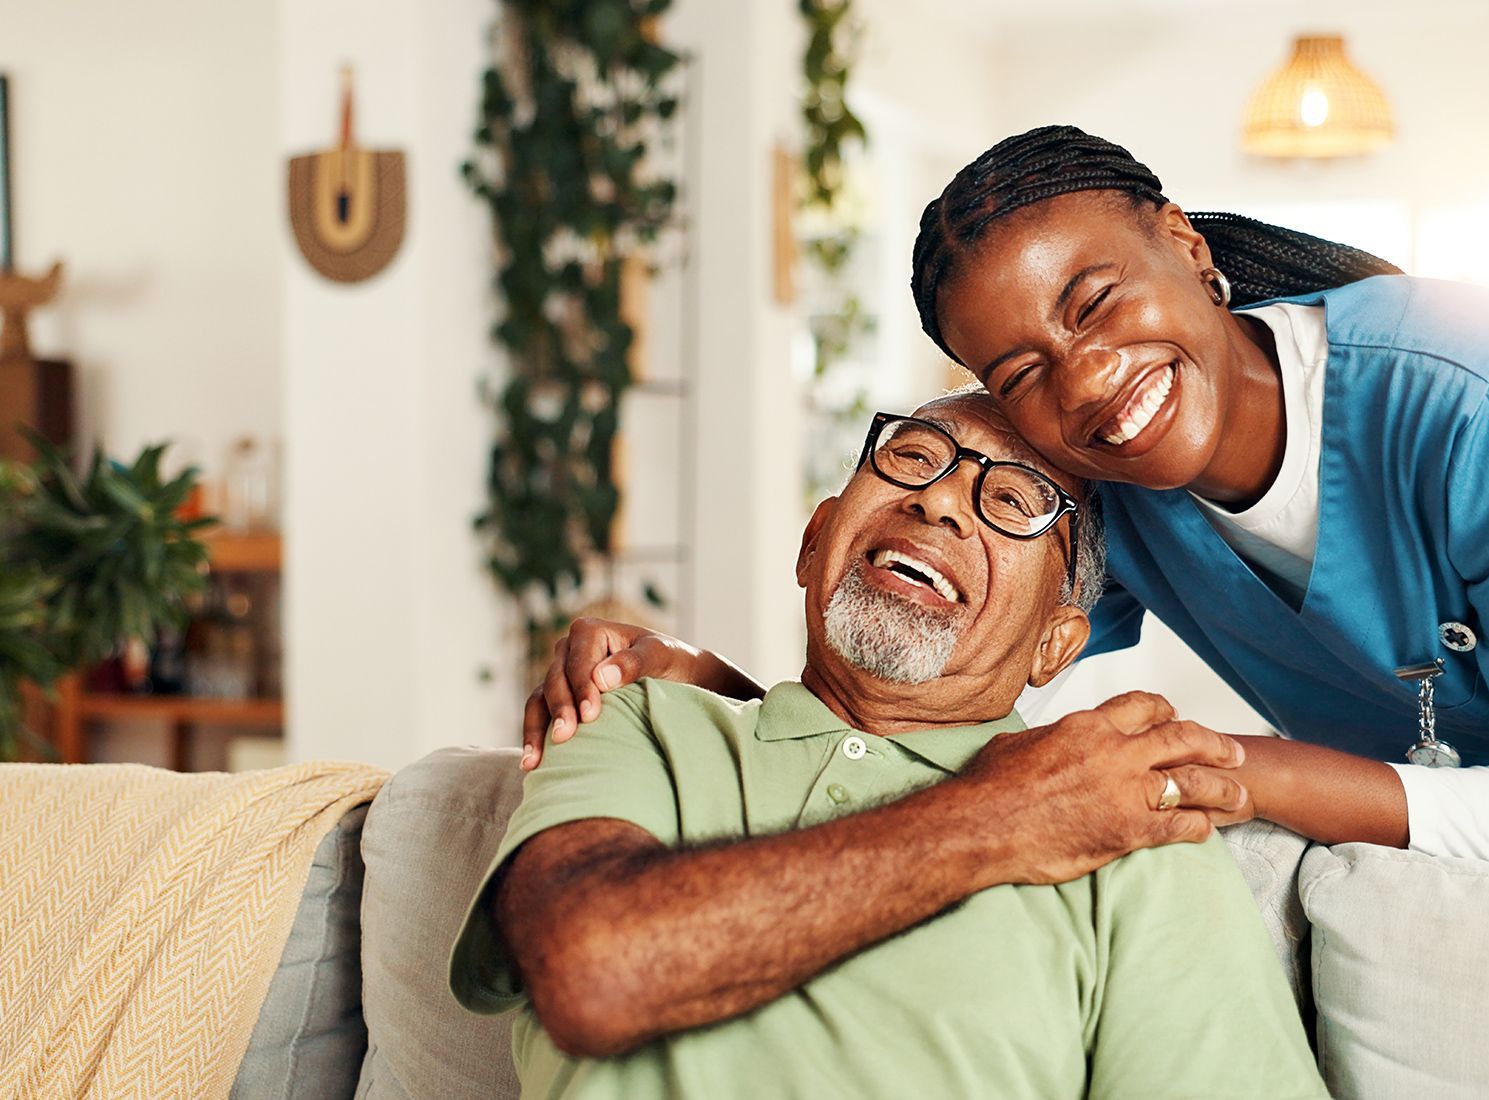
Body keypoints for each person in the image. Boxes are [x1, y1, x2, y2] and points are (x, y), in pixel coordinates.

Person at [528, 125, 1489, 874]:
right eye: (1023, 369)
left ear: (1186, 248)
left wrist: (1232, 768)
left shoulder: (1477, 399)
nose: (1088, 382)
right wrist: (691, 682)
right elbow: (939, 711)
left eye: (1098, 300)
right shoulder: (1121, 488)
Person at [452, 390, 1328, 1100]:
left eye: (1014, 502)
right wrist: (1002, 818)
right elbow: (591, 969)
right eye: (911, 457)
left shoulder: (1132, 832)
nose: (941, 500)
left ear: (1056, 644)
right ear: (813, 542)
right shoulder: (640, 717)